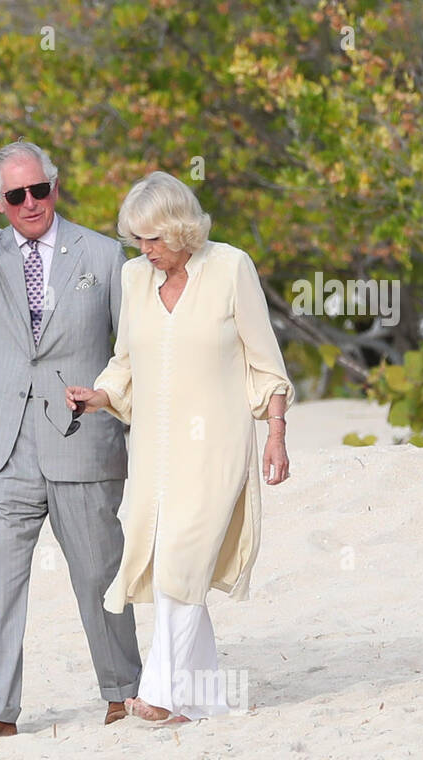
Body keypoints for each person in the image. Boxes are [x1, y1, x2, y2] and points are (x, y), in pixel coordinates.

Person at [0, 140, 141, 745]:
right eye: (15, 195)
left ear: (55, 186)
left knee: (100, 572)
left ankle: (124, 691)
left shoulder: (105, 253)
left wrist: (126, 415)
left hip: (83, 438)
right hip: (3, 442)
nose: (30, 203)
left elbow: (132, 349)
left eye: (38, 189)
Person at [65, 170, 294, 723]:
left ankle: (160, 691)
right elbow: (126, 361)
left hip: (216, 444)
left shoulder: (230, 267)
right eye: (138, 240)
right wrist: (100, 396)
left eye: (155, 239)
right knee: (170, 565)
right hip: (153, 452)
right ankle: (204, 702)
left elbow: (265, 362)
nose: (146, 251)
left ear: (184, 229)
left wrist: (277, 435)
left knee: (179, 560)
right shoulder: (134, 278)